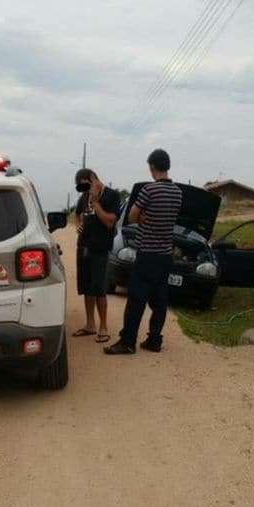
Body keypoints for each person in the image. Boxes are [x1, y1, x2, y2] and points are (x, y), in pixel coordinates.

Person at [105, 148, 182, 355]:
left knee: (136, 300)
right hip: (165, 255)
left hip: (147, 253)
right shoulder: (178, 192)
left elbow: (131, 216)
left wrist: (142, 218)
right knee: (159, 300)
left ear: (152, 167)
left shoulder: (149, 190)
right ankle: (154, 340)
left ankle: (128, 341)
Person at [72, 168, 120, 343]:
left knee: (99, 289)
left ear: (92, 179)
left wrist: (95, 202)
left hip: (100, 249)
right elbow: (77, 215)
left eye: (84, 185)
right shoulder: (84, 196)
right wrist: (78, 225)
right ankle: (90, 325)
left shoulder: (112, 196)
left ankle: (103, 327)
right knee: (86, 287)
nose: (83, 190)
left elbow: (109, 222)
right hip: (83, 247)